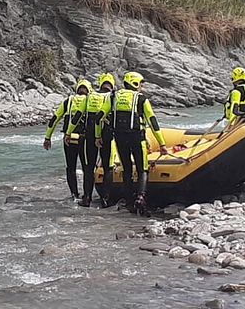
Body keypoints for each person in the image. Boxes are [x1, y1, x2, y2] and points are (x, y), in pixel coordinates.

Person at [104, 71, 167, 214]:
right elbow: (152, 121)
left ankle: (129, 201)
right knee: (142, 168)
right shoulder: (141, 99)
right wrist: (162, 144)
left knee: (126, 168)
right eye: (141, 84)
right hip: (137, 137)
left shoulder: (114, 96)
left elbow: (100, 115)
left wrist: (99, 136)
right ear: (135, 83)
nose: (142, 87)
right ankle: (141, 197)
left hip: (119, 137)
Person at [43, 79, 92, 203]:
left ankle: (74, 195)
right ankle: (87, 196)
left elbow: (54, 118)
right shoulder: (90, 101)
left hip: (68, 139)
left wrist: (47, 137)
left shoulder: (69, 101)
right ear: (89, 90)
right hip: (84, 138)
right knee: (87, 168)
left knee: (71, 168)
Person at [80, 72, 117, 207]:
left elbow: (79, 114)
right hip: (106, 135)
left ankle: (87, 198)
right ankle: (106, 199)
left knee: (89, 167)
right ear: (112, 85)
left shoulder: (90, 96)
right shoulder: (112, 97)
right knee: (107, 167)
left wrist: (68, 133)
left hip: (90, 135)